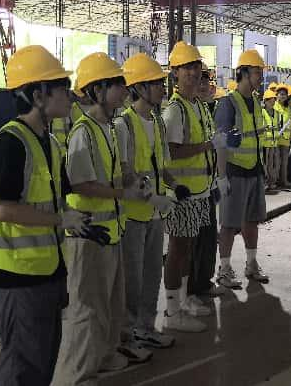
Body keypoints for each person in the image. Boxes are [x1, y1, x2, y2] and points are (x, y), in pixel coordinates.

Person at [0, 46, 106, 386]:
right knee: (23, 360)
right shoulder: (9, 143)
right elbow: (3, 209)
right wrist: (62, 221)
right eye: (62, 87)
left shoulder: (49, 143)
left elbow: (54, 202)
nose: (69, 95)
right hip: (15, 270)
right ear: (37, 95)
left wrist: (79, 222)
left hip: (44, 266)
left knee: (44, 355)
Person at [55, 52, 146, 384]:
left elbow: (116, 172)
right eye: (117, 84)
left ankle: (104, 357)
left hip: (110, 230)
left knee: (110, 303)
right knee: (86, 309)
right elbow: (81, 184)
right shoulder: (84, 132)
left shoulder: (108, 128)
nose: (124, 90)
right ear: (97, 90)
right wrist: (124, 194)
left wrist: (133, 180)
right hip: (89, 234)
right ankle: (77, 375)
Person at [114, 52, 179, 358]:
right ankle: (127, 337)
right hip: (133, 215)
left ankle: (146, 328)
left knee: (153, 273)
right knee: (132, 279)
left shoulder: (157, 122)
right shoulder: (124, 125)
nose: (161, 88)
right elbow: (125, 172)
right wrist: (152, 196)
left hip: (155, 213)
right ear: (138, 88)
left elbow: (161, 165)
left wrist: (176, 187)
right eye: (155, 83)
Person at [162, 41, 226, 333]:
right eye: (185, 68)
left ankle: (185, 299)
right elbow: (172, 151)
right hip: (182, 193)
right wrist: (207, 145)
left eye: (195, 66)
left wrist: (215, 180)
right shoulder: (175, 110)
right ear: (175, 72)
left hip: (199, 191)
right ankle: (172, 311)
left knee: (187, 250)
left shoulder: (197, 106)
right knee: (177, 251)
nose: (192, 72)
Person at [214, 48, 270, 288]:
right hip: (235, 172)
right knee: (229, 224)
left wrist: (262, 168)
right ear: (244, 73)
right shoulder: (228, 103)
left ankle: (251, 263)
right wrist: (221, 177)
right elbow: (220, 142)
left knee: (252, 221)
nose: (261, 77)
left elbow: (255, 138)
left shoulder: (256, 102)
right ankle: (224, 270)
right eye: (257, 72)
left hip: (254, 170)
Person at [187, 65, 224, 311]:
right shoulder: (181, 110)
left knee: (209, 239)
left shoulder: (203, 109)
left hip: (207, 184)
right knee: (193, 244)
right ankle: (190, 289)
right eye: (199, 81)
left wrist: (219, 178)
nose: (203, 85)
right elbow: (176, 150)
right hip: (190, 190)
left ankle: (204, 282)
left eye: (206, 81)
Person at [273, 84, 291, 189]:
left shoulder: (288, 108)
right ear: (276, 95)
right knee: (276, 161)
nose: (283, 96)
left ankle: (284, 180)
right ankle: (274, 180)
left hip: (286, 138)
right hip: (276, 138)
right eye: (281, 94)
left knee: (285, 162)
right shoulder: (274, 106)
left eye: (284, 94)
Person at [261, 89, 280, 194]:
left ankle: (271, 182)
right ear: (265, 101)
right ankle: (265, 183)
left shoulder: (276, 113)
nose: (272, 102)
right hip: (265, 143)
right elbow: (261, 126)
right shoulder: (262, 112)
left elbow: (278, 125)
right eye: (270, 100)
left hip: (274, 142)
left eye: (273, 100)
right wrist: (266, 127)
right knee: (265, 164)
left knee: (272, 164)